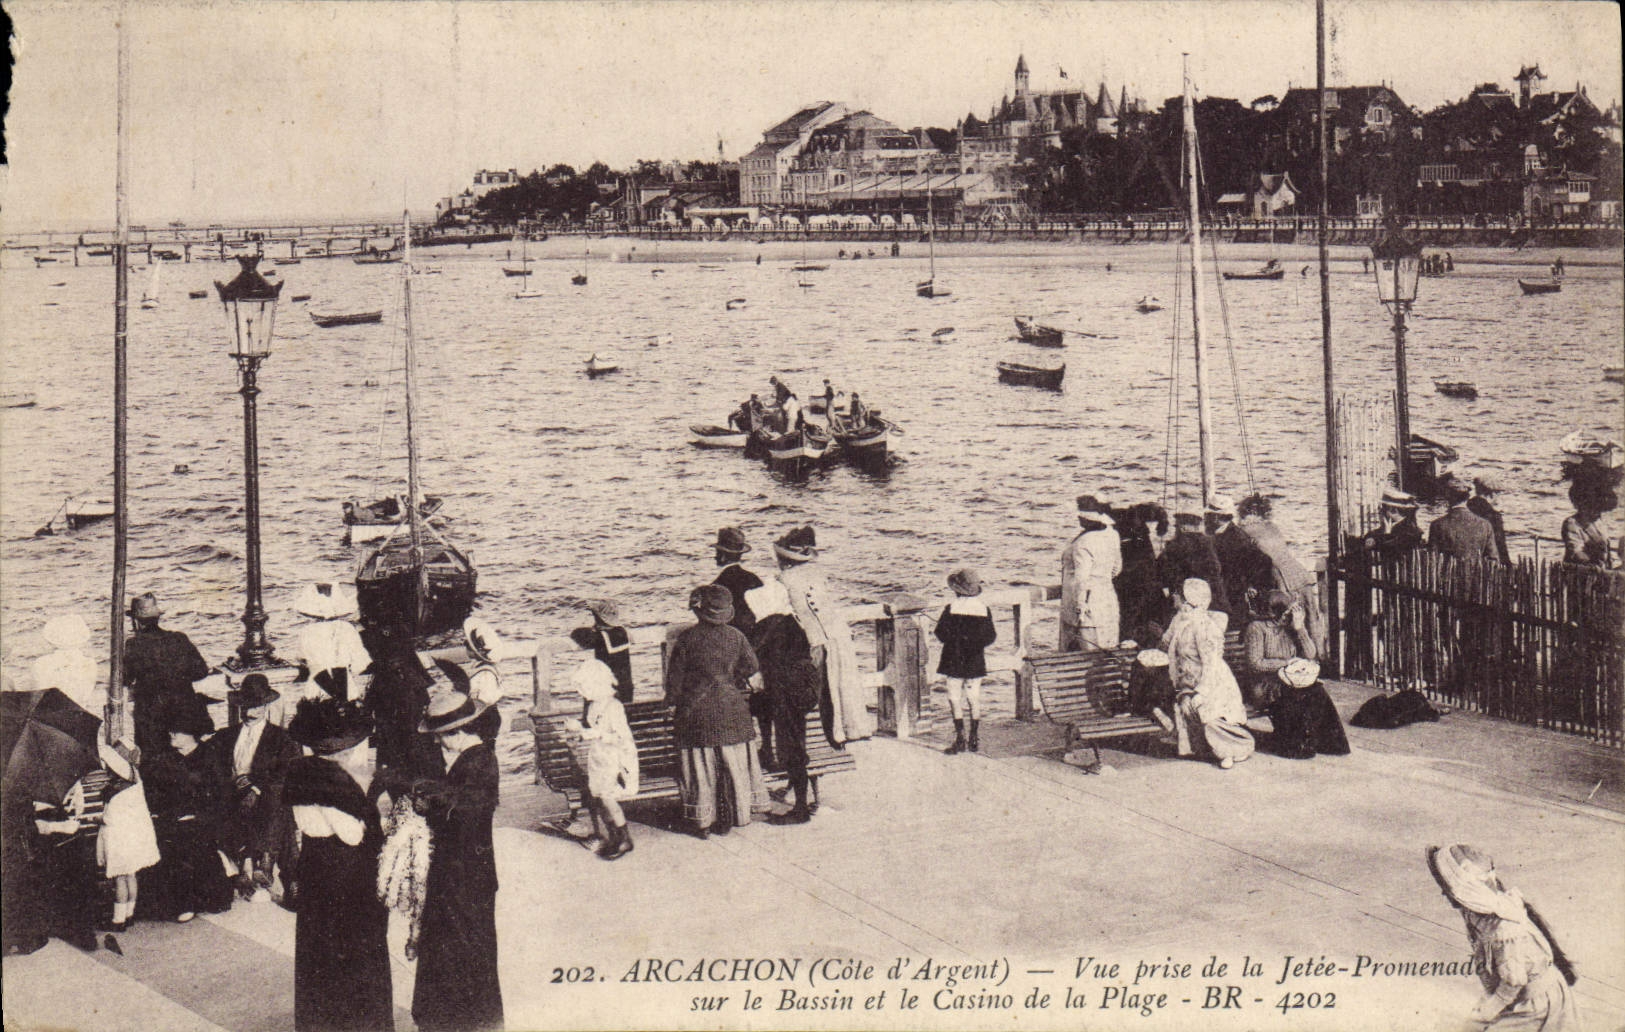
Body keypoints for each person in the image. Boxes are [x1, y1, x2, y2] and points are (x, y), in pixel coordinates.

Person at [284, 698, 394, 1032]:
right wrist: (376, 816)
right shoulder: (334, 781)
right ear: (342, 750)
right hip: (344, 873)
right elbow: (351, 836)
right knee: (354, 947)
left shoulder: (299, 771)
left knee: (318, 947)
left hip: (314, 865)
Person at [412, 693, 505, 1032]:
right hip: (462, 870)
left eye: (440, 736)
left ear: (457, 732)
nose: (437, 743)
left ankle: (463, 1022)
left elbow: (466, 813)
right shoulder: (474, 756)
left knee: (462, 947)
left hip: (465, 872)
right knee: (454, 945)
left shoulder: (479, 760)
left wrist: (429, 805)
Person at [1427, 844, 1579, 1030]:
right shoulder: (1476, 912)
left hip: (1536, 1004)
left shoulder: (1503, 928)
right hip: (1521, 997)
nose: (1444, 893)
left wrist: (1486, 1013)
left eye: (1448, 888)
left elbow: (1514, 981)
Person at [664, 585, 765, 838]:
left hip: (697, 714)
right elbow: (752, 666)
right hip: (733, 711)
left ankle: (704, 820)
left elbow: (674, 683)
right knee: (732, 767)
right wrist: (731, 679)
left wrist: (673, 704)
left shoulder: (687, 639)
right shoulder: (736, 636)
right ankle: (737, 814)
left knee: (702, 770)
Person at [774, 526, 872, 744]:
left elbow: (784, 612)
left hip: (814, 636)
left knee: (824, 687)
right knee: (843, 680)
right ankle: (850, 729)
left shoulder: (783, 579)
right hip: (837, 631)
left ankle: (832, 734)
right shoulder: (818, 573)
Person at [207, 674, 300, 902]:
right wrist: (234, 784)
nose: (251, 712)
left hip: (266, 795)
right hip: (233, 795)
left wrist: (255, 789)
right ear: (240, 706)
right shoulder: (225, 736)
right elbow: (213, 766)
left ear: (267, 705)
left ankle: (257, 864)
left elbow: (288, 772)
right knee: (283, 818)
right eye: (247, 706)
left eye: (257, 706)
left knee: (278, 801)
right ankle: (283, 876)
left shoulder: (282, 738)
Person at [139, 701, 233, 923]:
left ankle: (192, 901)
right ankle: (176, 902)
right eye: (171, 730)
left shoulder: (210, 758)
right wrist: (158, 812)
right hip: (170, 818)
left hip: (202, 820)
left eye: (178, 731)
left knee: (187, 841)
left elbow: (222, 797)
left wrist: (199, 816)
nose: (171, 734)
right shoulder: (165, 759)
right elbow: (154, 793)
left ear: (192, 733)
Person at [745, 578, 822, 824]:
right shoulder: (792, 623)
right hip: (800, 692)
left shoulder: (766, 627)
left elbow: (749, 660)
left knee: (791, 749)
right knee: (796, 744)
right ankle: (800, 800)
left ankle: (800, 810)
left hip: (784, 694)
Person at [1161, 578, 1253, 769]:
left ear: (1189, 600)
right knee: (1187, 709)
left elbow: (1211, 664)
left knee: (1208, 715)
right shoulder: (1179, 620)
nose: (1173, 597)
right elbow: (1165, 644)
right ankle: (1211, 750)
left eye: (1178, 593)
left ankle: (1236, 748)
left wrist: (1201, 692)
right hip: (1188, 683)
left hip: (1213, 684)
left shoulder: (1204, 626)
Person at [562, 659, 637, 859]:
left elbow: (621, 738)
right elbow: (593, 730)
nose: (581, 692)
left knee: (608, 798)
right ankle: (614, 836)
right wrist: (579, 732)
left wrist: (591, 734)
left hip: (615, 759)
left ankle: (624, 838)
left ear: (598, 683)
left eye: (584, 687)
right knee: (600, 796)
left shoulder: (614, 707)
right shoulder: (594, 705)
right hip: (599, 758)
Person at [1235, 493, 1327, 655]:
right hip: (1300, 574)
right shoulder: (1272, 527)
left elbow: (1247, 560)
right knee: (1311, 617)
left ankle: (1299, 659)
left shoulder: (1245, 531)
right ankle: (1319, 657)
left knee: (1291, 620)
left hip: (1282, 579)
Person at [124, 592, 212, 757]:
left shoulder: (134, 644)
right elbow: (201, 671)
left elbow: (125, 679)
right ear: (157, 617)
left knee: (154, 762)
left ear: (136, 621)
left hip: (151, 717)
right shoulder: (179, 639)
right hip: (183, 713)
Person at [361, 622, 441, 789]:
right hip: (412, 733)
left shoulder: (382, 678)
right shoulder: (411, 675)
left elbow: (368, 711)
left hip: (396, 736)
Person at [96, 742, 161, 932]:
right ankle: (129, 914)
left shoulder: (122, 784)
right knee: (131, 876)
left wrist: (98, 818)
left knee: (119, 878)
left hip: (120, 839)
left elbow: (111, 817)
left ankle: (118, 920)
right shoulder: (133, 779)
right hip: (133, 837)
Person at [934, 568, 997, 755]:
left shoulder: (951, 608)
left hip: (953, 659)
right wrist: (974, 644)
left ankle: (960, 738)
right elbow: (990, 637)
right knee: (973, 697)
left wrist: (955, 640)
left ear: (956, 589)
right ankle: (974, 738)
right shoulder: (984, 609)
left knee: (954, 698)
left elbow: (940, 633)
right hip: (975, 661)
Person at [291, 582, 373, 717]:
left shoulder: (307, 631)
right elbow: (361, 664)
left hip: (318, 685)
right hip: (346, 687)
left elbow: (302, 659)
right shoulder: (347, 628)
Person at [1060, 495, 1123, 651]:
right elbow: (1117, 568)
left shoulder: (1083, 543)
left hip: (1085, 611)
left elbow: (1081, 580)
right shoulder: (1112, 535)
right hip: (1107, 602)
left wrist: (1079, 609)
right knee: (1107, 652)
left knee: (1083, 655)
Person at [1264, 658, 1348, 759]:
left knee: (1318, 690)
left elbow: (1310, 656)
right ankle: (1296, 745)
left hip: (1295, 679)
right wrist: (1286, 663)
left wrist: (1303, 641)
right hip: (1267, 683)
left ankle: (1326, 743)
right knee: (1298, 695)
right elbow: (1255, 664)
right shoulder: (1256, 640)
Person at [1114, 502, 1171, 644]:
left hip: (1133, 592)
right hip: (1150, 589)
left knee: (1129, 627)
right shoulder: (1143, 538)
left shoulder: (1124, 537)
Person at [1207, 495, 1272, 618]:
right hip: (1223, 593)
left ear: (1216, 517)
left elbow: (1265, 561)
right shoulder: (1217, 533)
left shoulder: (1237, 538)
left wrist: (1253, 585)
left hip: (1234, 595)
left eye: (1209, 515)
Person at [1159, 512, 1231, 620]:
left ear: (1183, 528)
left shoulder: (1174, 546)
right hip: (1217, 605)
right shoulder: (1213, 542)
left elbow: (1163, 574)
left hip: (1188, 605)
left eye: (1176, 527)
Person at [31, 613, 101, 713]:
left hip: (49, 718)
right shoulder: (90, 663)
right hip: (79, 717)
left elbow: (38, 698)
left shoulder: (41, 664)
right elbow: (84, 695)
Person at [573, 600, 634, 703]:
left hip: (608, 692)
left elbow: (576, 634)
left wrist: (594, 629)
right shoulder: (623, 632)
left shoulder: (601, 636)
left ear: (599, 618)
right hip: (627, 690)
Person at [1429, 475, 1498, 562]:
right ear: (1467, 497)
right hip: (1476, 574)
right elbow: (1493, 560)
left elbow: (1433, 559)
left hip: (1448, 574)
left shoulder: (1437, 525)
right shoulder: (1485, 525)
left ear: (1447, 497)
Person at [1560, 479, 1613, 567]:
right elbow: (1576, 552)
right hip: (1581, 573)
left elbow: (1607, 552)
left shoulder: (1599, 523)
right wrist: (1595, 563)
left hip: (1602, 572)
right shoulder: (1572, 523)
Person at [1361, 488, 1425, 559]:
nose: (1380, 511)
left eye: (1382, 508)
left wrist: (1387, 535)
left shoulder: (1411, 533)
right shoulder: (1385, 529)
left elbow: (1390, 552)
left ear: (1393, 510)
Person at [1468, 474, 1512, 564]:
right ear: (1492, 494)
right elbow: (1500, 546)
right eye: (1498, 494)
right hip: (1486, 564)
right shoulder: (1493, 516)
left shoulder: (1465, 509)